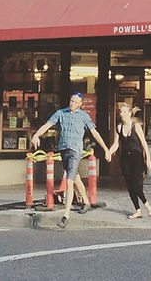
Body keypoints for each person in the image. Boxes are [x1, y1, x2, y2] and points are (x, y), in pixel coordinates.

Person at [31, 92, 109, 228]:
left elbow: (95, 133)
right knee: (75, 176)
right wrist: (36, 135)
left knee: (69, 180)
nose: (72, 103)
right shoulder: (61, 113)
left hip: (75, 150)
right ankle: (86, 201)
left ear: (80, 104)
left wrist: (106, 149)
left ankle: (66, 215)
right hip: (63, 149)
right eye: (71, 100)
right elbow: (48, 124)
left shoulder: (84, 116)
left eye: (75, 102)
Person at [107, 102, 151, 219]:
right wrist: (109, 152)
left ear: (129, 113)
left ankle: (147, 204)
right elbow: (116, 144)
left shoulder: (136, 126)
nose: (120, 113)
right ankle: (138, 210)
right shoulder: (119, 127)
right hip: (125, 159)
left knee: (135, 184)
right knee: (129, 185)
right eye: (120, 112)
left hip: (136, 158)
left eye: (123, 111)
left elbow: (144, 143)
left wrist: (148, 158)